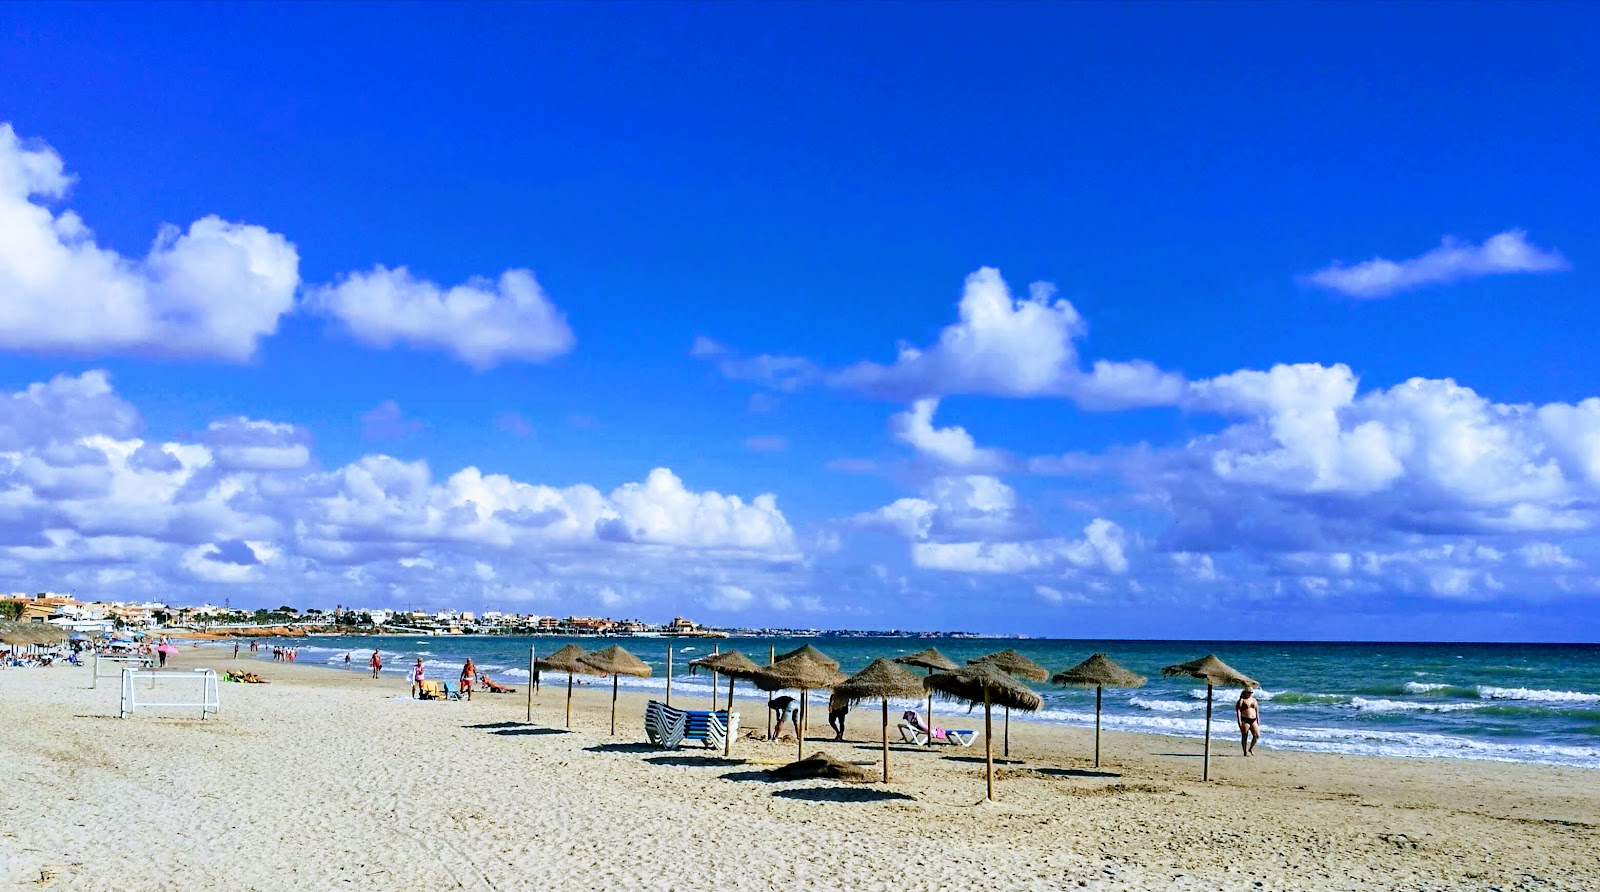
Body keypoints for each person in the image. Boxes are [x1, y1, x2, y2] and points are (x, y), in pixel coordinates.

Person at [1236, 687, 1261, 756]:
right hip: (1245, 719)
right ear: (1245, 692)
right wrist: (1239, 721)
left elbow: (1257, 710)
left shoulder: (1254, 700)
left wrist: (1258, 719)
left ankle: (1250, 748)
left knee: (1257, 735)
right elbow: (1238, 711)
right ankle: (1244, 751)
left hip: (1253, 719)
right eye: (1249, 692)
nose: (1250, 694)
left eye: (1251, 693)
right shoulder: (1242, 700)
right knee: (1245, 736)